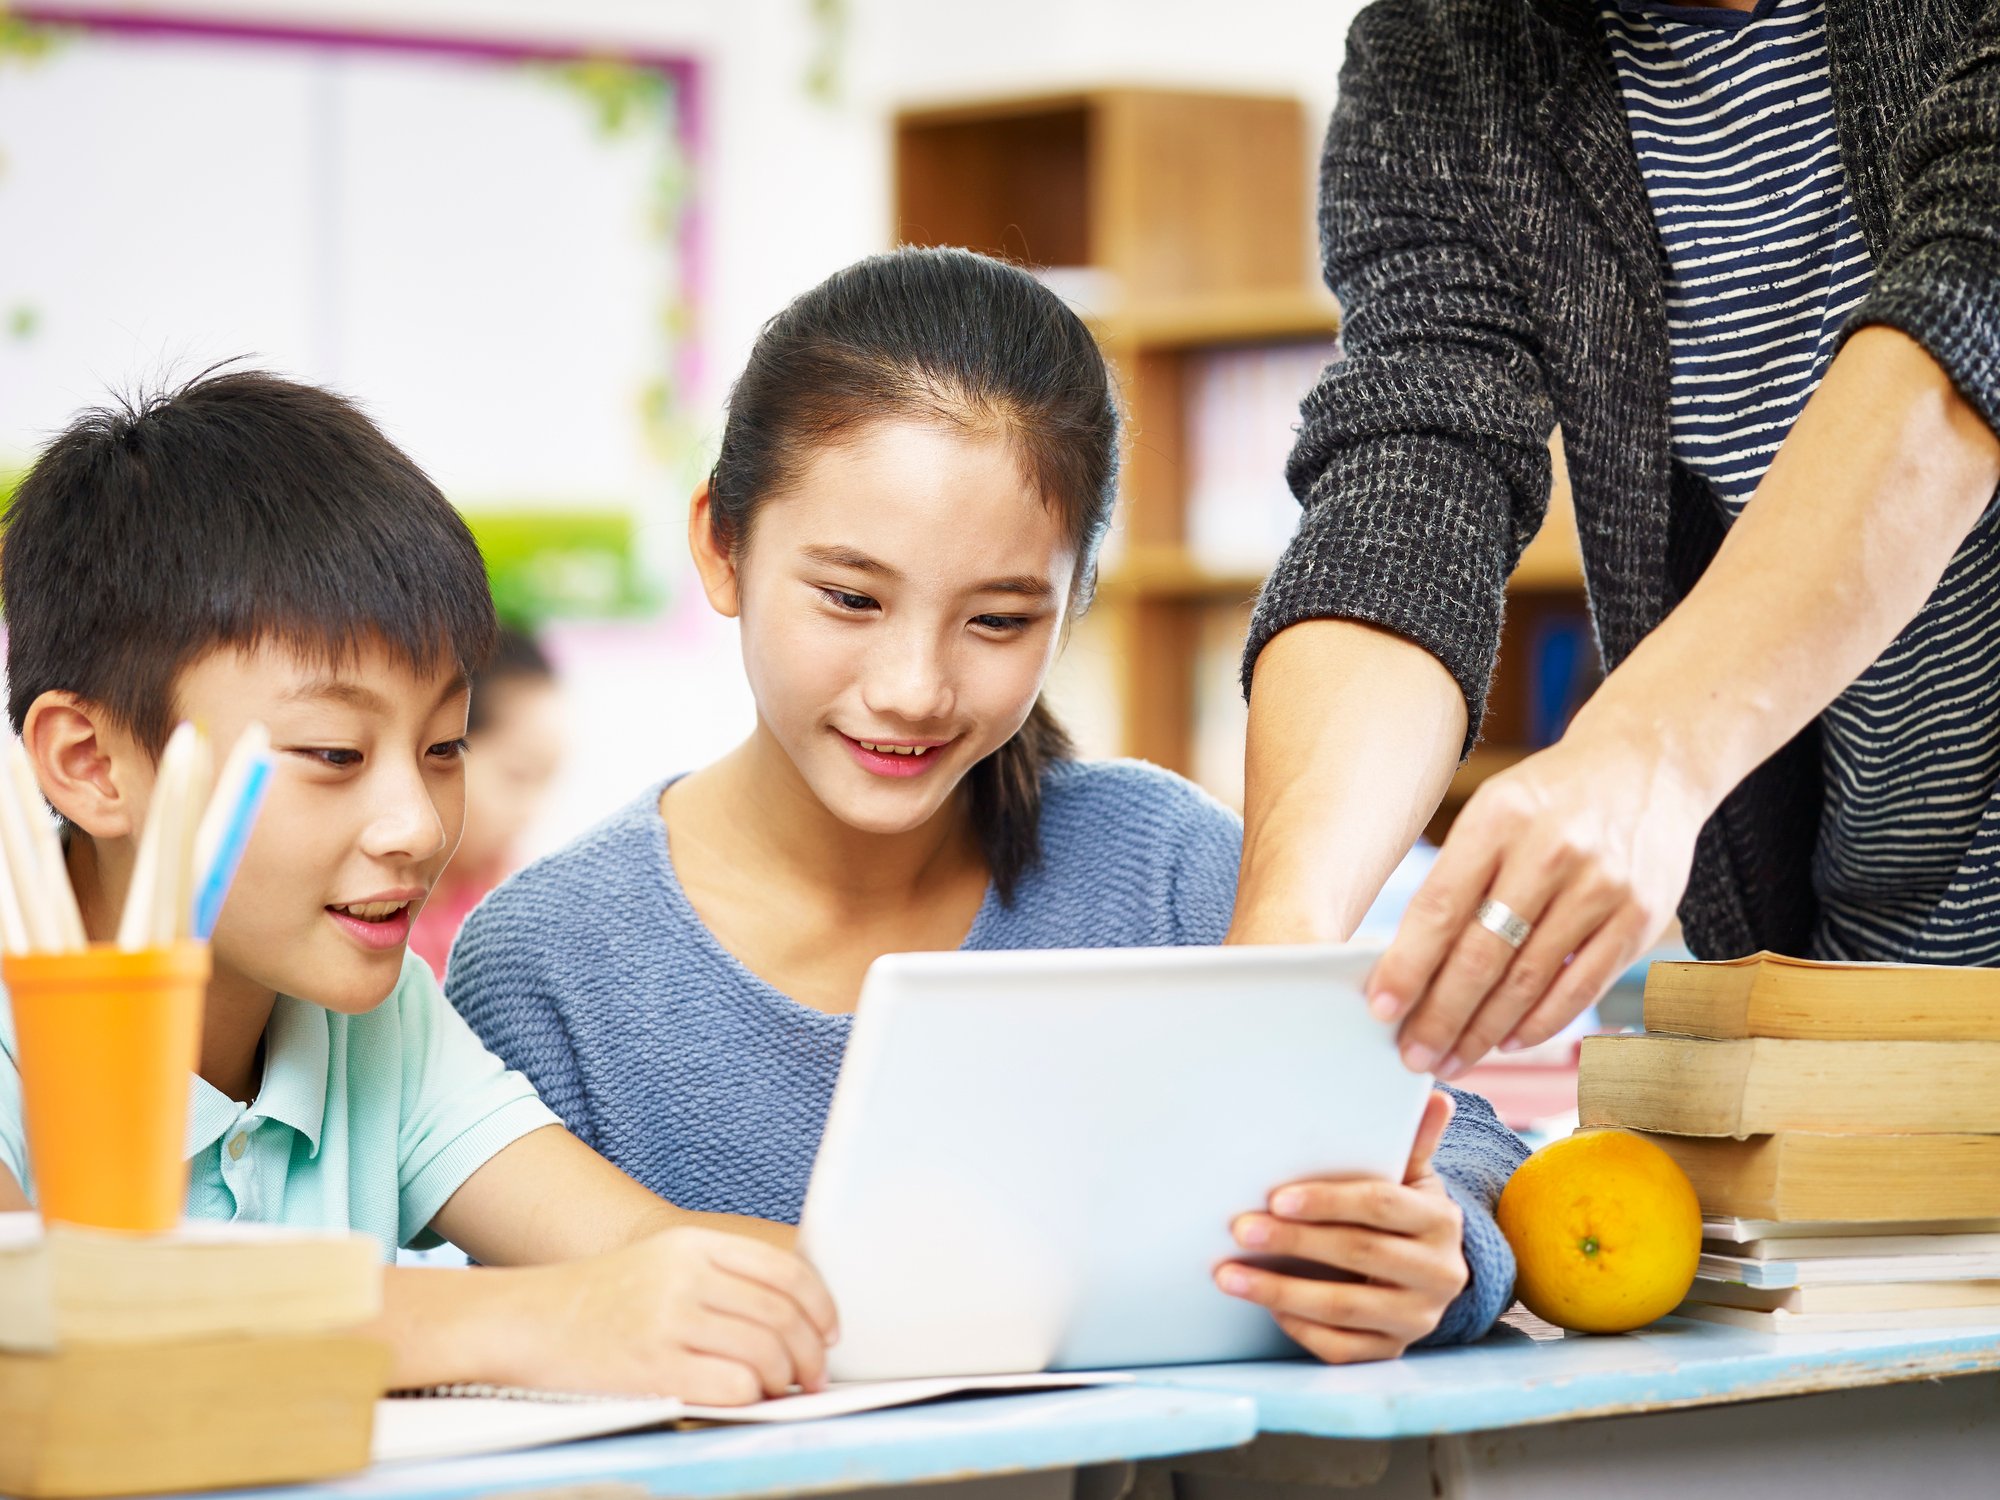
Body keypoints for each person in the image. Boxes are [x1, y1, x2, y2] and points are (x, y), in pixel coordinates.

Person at [448, 248, 1531, 1364]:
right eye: (850, 598)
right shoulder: (547, 963)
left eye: (999, 621)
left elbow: (1472, 1148)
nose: (913, 687)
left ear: (1073, 605)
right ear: (720, 545)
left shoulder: (1165, 872)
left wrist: (1429, 1252)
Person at [0, 370, 834, 1403]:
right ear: (90, 762)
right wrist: (543, 1318)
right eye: (334, 753)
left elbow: (640, 1249)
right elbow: (48, 1324)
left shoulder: (379, 1017)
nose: (419, 826)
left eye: (444, 746)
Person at [1231, 0, 2000, 1081]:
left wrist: (1646, 753)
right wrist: (1280, 946)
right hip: (1875, 980)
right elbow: (1410, 470)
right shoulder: (1445, 45)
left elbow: (1969, 320)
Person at [409, 626, 564, 977]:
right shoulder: (380, 904)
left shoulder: (507, 899)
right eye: (518, 775)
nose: (531, 811)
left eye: (546, 781)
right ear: (442, 747)